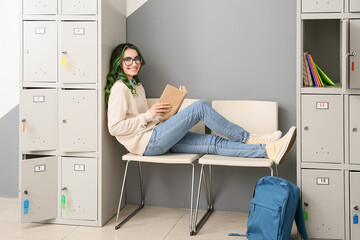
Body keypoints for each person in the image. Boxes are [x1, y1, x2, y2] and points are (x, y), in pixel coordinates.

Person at [105, 43, 296, 165]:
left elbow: (144, 120)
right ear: (118, 63)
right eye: (128, 59)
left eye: (136, 58)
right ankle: (248, 138)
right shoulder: (119, 89)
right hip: (147, 144)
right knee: (200, 106)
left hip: (158, 136)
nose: (134, 62)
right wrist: (148, 115)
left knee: (213, 142)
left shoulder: (136, 86)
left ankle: (268, 150)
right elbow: (114, 128)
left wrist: (166, 110)